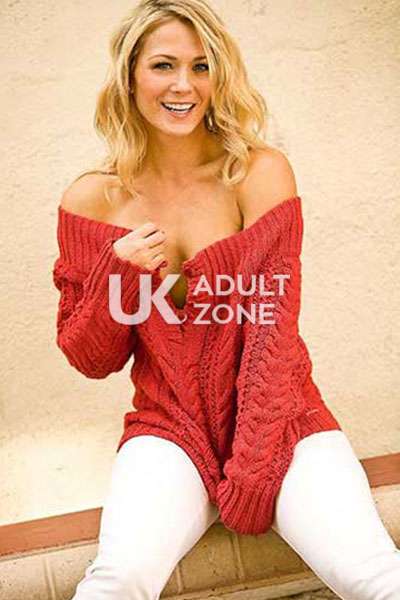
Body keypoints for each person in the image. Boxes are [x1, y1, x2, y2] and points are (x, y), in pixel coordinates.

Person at [52, 1, 400, 599]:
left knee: (372, 573)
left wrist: (254, 468)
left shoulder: (258, 173)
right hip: (168, 428)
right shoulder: (93, 200)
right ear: (130, 75)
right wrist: (119, 274)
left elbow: (272, 331)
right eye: (163, 65)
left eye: (202, 66)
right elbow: (90, 357)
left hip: (283, 423)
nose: (183, 85)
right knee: (117, 579)